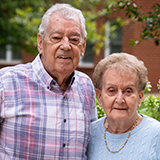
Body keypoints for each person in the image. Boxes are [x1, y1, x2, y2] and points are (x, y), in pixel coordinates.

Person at [0, 3, 97, 160]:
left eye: (74, 39)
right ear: (40, 43)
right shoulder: (6, 82)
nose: (66, 46)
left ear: (83, 46)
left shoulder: (86, 87)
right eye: (56, 38)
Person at [87, 53, 160, 160]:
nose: (120, 99)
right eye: (111, 90)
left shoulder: (156, 134)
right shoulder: (88, 134)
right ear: (99, 96)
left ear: (140, 97)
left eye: (128, 91)